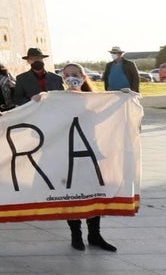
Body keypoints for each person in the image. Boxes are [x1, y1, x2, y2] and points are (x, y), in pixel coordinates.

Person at [59, 62, 117, 252]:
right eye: (66, 75)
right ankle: (76, 235)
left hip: (91, 154)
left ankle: (95, 235)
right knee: (71, 195)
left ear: (83, 77)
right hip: (67, 155)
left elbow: (108, 115)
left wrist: (123, 97)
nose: (70, 78)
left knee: (94, 193)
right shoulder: (56, 100)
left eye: (74, 74)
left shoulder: (94, 100)